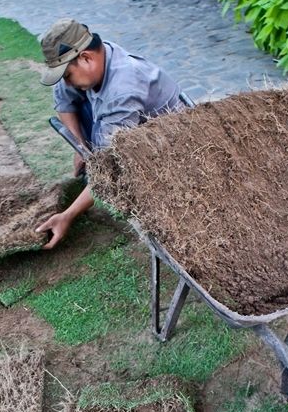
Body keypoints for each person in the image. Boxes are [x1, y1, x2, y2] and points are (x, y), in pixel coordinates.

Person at [35, 19, 182, 250]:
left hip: (165, 145)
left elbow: (110, 169)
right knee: (80, 103)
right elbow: (63, 98)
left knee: (116, 172)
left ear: (86, 58)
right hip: (121, 123)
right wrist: (80, 148)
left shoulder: (122, 91)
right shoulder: (93, 58)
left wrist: (67, 215)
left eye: (67, 75)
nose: (66, 81)